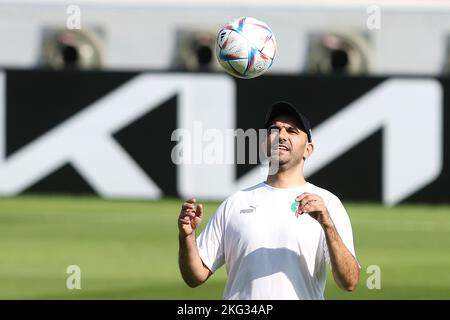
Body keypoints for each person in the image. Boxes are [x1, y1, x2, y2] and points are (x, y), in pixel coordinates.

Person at [178, 101, 360, 300]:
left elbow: (349, 282)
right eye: (274, 129)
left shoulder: (327, 204)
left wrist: (328, 225)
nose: (281, 135)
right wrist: (187, 237)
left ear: (308, 149)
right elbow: (195, 276)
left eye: (292, 131)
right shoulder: (236, 203)